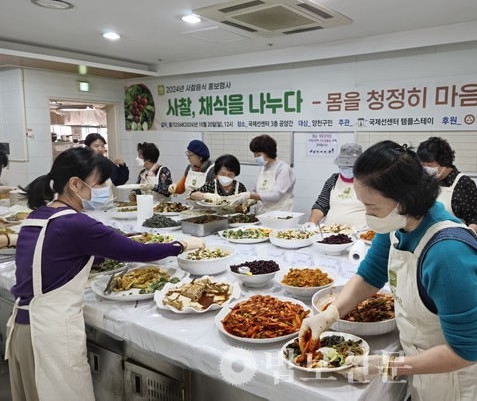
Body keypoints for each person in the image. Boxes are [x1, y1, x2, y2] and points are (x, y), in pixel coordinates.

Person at [299, 141, 477, 401]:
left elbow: (467, 350)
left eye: (372, 207)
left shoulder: (447, 253)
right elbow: (369, 276)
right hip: (428, 369)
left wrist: (389, 367)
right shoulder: (396, 225)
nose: (367, 215)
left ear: (405, 201)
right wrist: (329, 314)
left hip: (465, 381)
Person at [5, 147, 203, 401]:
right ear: (75, 184)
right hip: (49, 336)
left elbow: (69, 254)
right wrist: (181, 246)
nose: (102, 189)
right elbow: (139, 252)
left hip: (22, 329)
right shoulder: (76, 223)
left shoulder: (39, 216)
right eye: (99, 183)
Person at [417, 136, 477, 233]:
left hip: (453, 238)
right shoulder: (424, 180)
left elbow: (475, 219)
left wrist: (466, 236)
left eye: (430, 165)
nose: (426, 169)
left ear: (444, 162)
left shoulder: (463, 183)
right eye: (423, 165)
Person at [305, 143, 366, 230]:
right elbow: (321, 205)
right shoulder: (333, 179)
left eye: (351, 166)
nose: (347, 169)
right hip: (330, 231)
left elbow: (378, 208)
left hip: (360, 233)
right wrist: (312, 223)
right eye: (344, 166)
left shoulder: (369, 182)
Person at [236, 134, 295, 214]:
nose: (256, 158)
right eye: (254, 155)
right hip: (262, 213)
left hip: (279, 214)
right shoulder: (263, 168)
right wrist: (252, 200)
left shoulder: (283, 168)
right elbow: (257, 191)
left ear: (269, 152)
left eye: (258, 155)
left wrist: (250, 195)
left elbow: (275, 195)